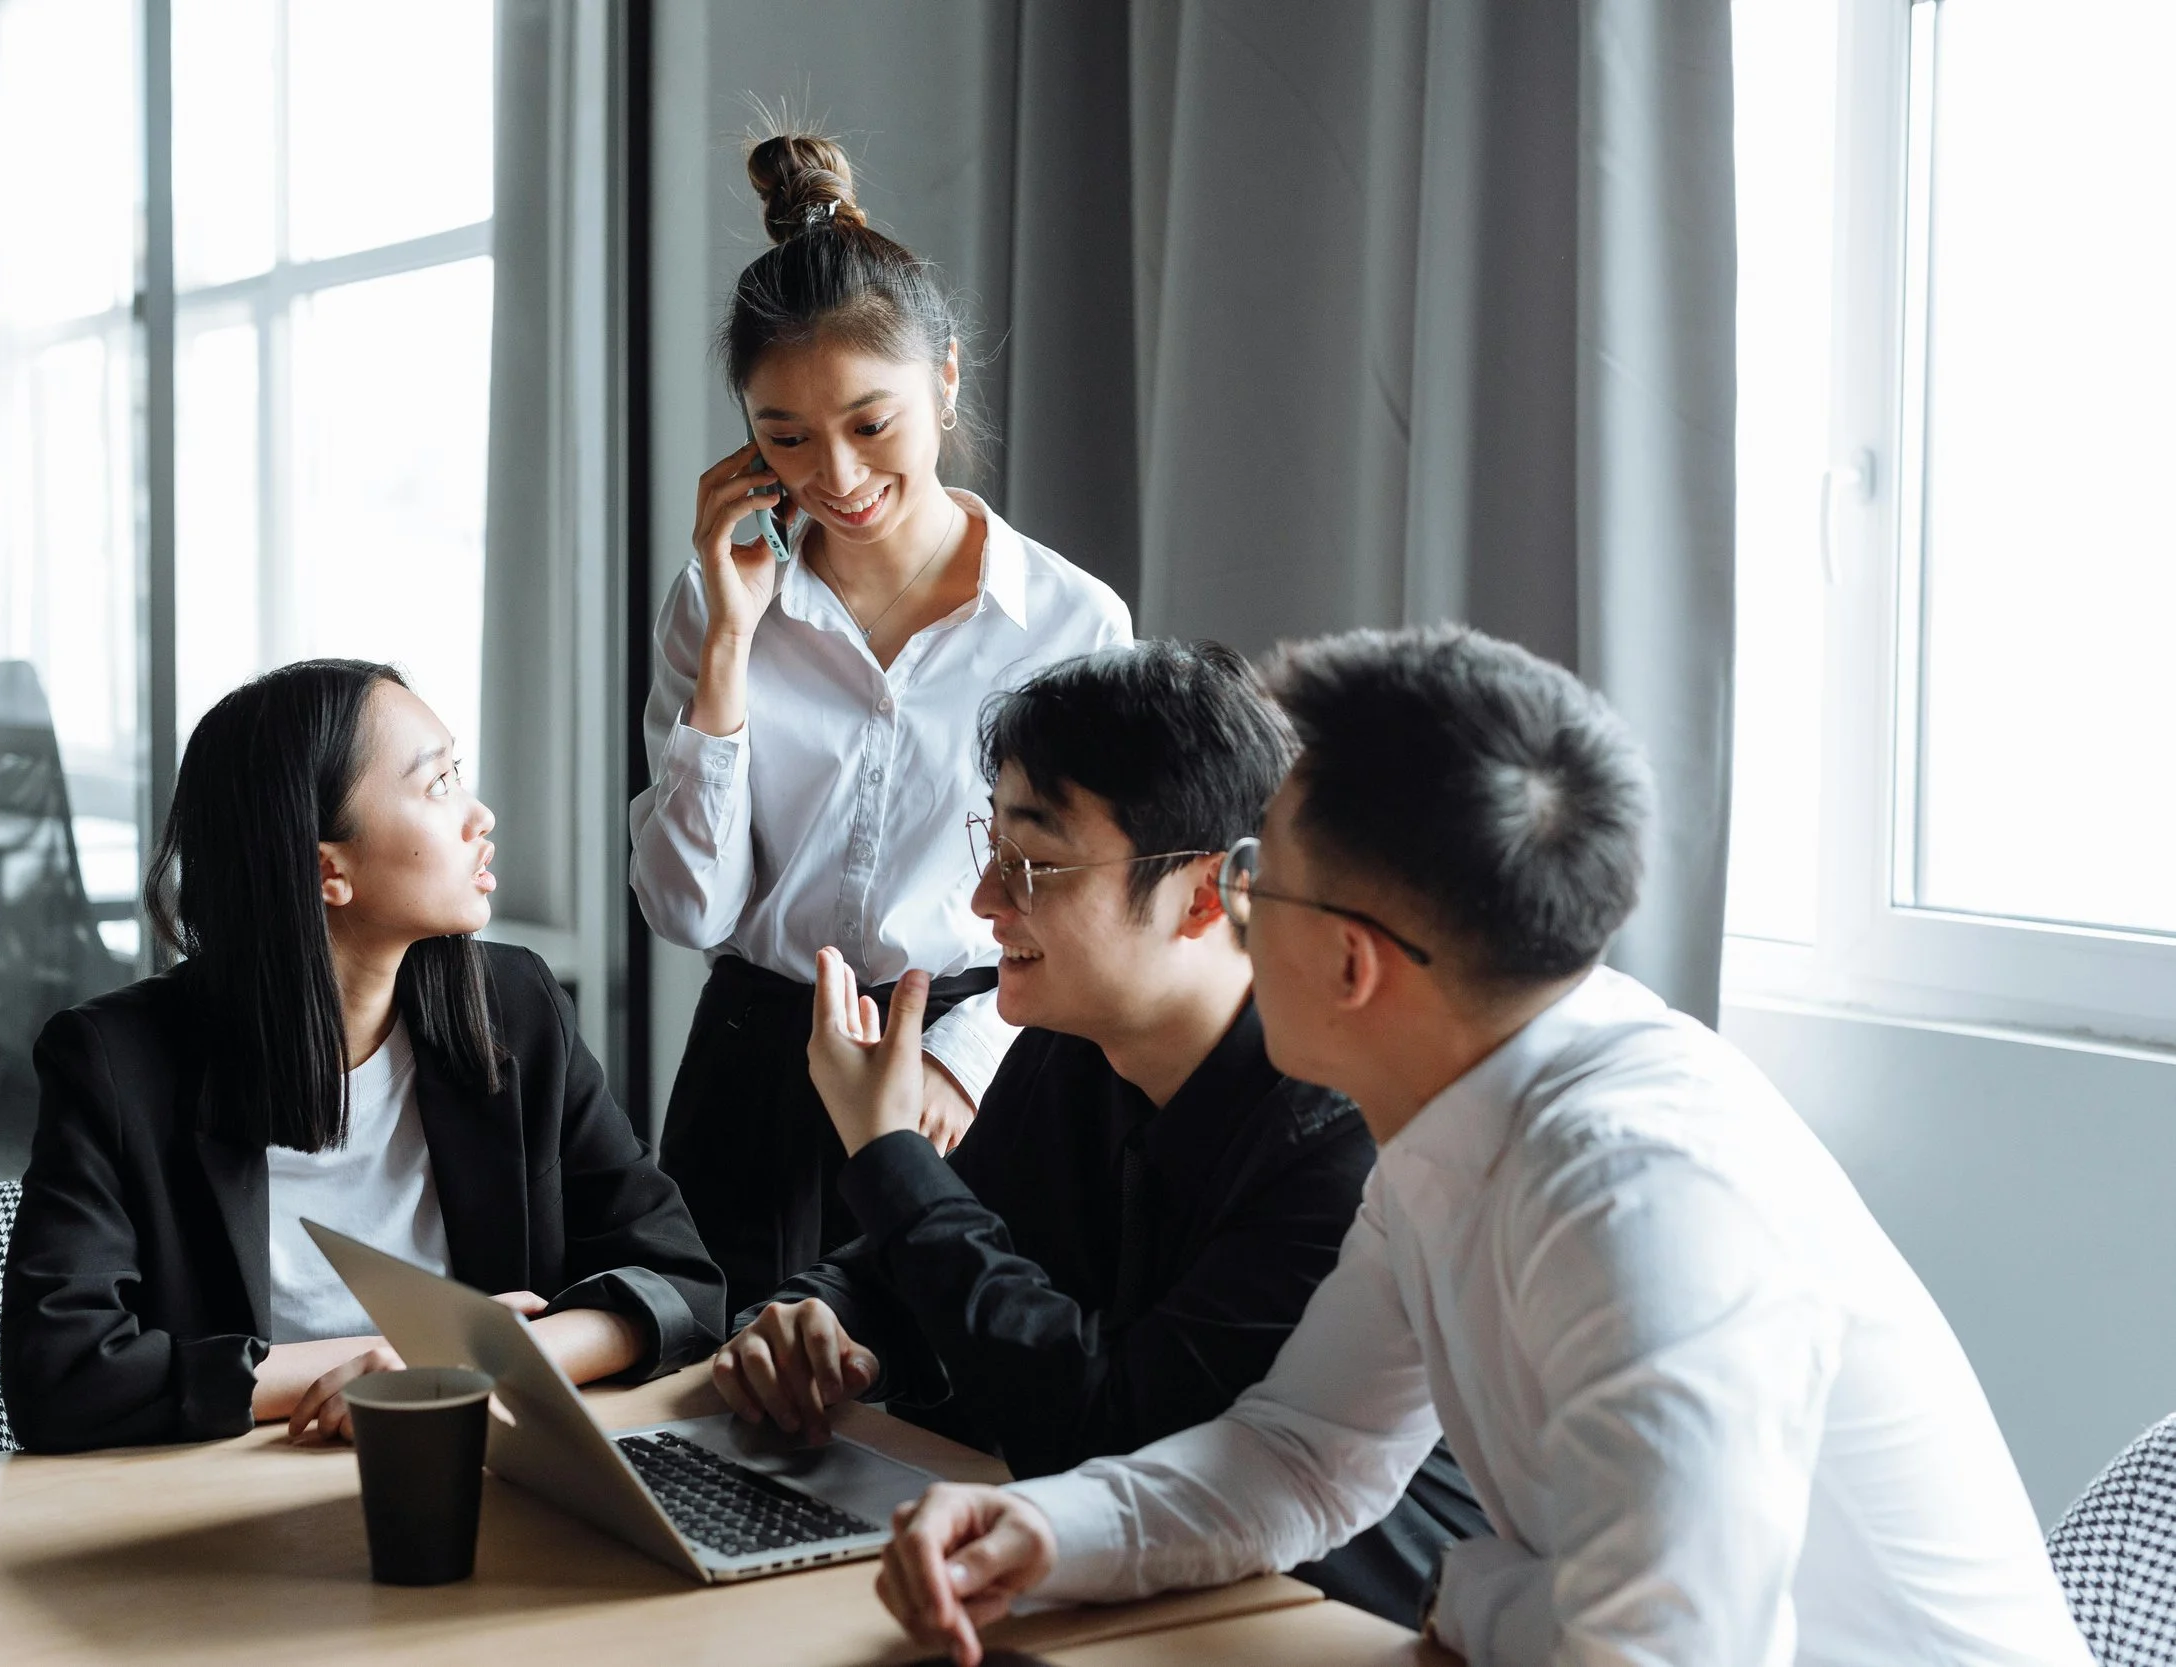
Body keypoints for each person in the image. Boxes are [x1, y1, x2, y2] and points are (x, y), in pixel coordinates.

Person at [873, 627, 2094, 1666]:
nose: (1227, 907)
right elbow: (1307, 1452)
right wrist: (1048, 1529)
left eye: (1258, 878)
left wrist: (1481, 1591)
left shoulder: (1638, 1195)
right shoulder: (1449, 1105)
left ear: (1351, 964)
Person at [706, 641, 1485, 1626]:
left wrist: (887, 1149)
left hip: (1333, 1620)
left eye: (1035, 862)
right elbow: (931, 1269)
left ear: (1209, 892)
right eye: (992, 846)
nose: (987, 900)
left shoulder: (1334, 1134)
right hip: (1120, 1599)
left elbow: (1113, 1435)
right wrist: (819, 1320)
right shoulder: (1076, 1042)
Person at [630, 129, 1130, 1307]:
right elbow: (684, 906)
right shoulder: (717, 601)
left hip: (971, 1069)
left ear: (946, 380)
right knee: (718, 1409)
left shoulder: (1069, 621)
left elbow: (1090, 891)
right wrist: (731, 646)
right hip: (756, 1068)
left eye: (870, 423)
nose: (835, 477)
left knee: (944, 1409)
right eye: (783, 436)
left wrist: (963, 1066)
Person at [2, 661, 725, 1453]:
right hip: (220, 1516)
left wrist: (479, 1359)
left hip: (482, 1482)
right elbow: (60, 1375)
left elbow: (683, 1284)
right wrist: (362, 1366)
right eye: (438, 784)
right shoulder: (116, 1064)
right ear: (327, 870)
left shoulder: (515, 1009)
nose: (479, 815)